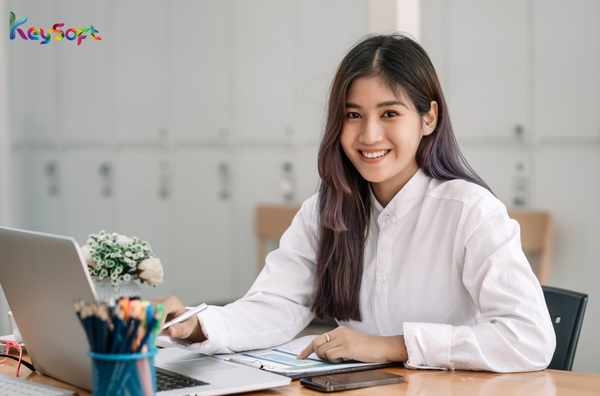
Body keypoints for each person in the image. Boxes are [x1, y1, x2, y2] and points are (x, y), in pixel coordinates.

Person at [153, 33, 555, 372]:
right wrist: (193, 324)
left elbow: (530, 337)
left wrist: (393, 346)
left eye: (390, 113)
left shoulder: (470, 211)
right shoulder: (325, 211)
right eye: (353, 114)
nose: (369, 135)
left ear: (428, 118)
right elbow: (276, 307)